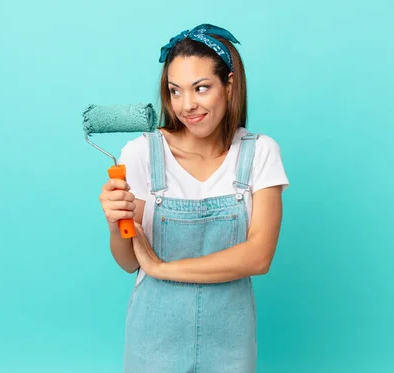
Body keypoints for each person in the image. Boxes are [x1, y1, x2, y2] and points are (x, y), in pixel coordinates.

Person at [98, 24, 289, 373]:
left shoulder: (259, 153)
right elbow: (129, 262)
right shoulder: (141, 153)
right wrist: (116, 224)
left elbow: (259, 257)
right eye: (175, 91)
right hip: (153, 341)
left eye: (201, 88)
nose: (187, 106)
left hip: (230, 343)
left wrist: (163, 269)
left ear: (229, 86)